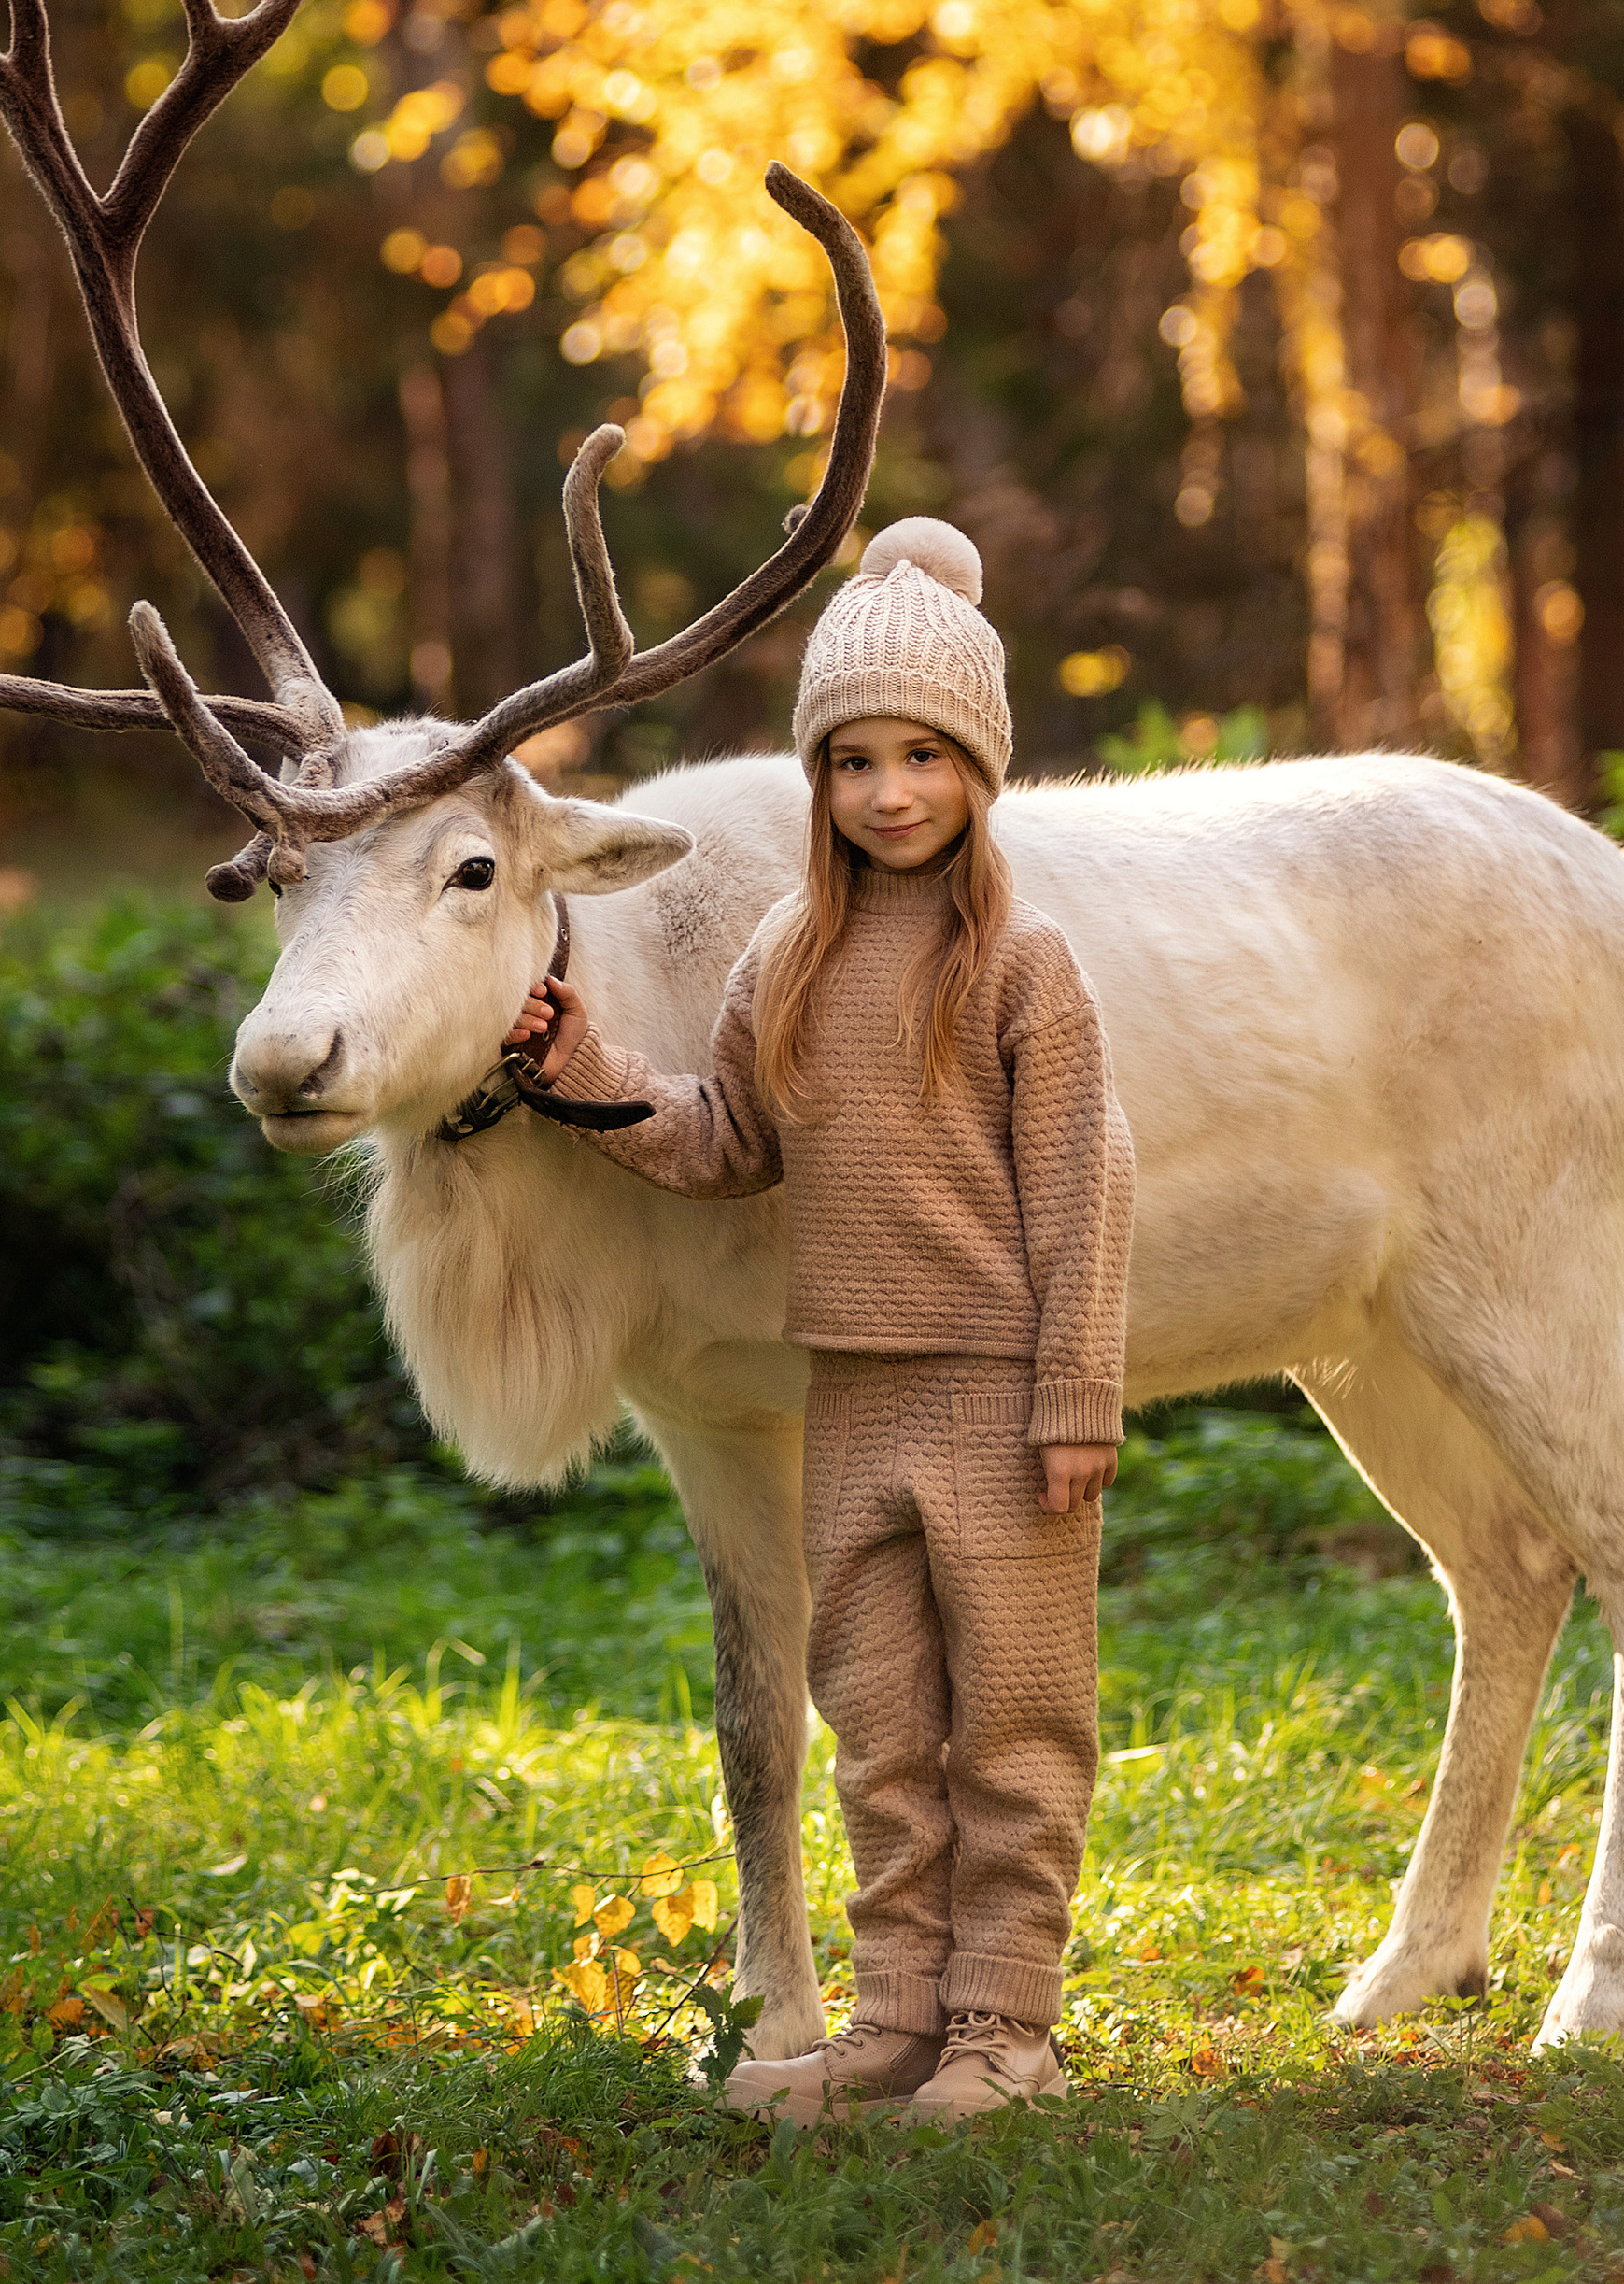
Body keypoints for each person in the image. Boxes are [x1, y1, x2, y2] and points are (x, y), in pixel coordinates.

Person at [501, 518, 1134, 2124]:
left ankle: (1010, 2029)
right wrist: (588, 1081)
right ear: (818, 781)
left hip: (997, 1395)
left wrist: (1076, 1393)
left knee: (1015, 1717)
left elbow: (1083, 1185)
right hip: (850, 1395)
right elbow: (724, 1145)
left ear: (981, 772)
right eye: (853, 761)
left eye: (927, 756)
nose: (891, 792)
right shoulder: (784, 960)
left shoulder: (1027, 968)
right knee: (878, 1720)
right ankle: (897, 2021)